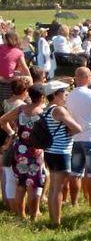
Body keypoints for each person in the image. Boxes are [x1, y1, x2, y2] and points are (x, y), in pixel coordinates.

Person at [0, 85, 47, 219]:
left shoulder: (21, 109)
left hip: (20, 149)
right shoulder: (42, 112)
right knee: (34, 183)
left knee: (21, 183)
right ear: (42, 97)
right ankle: (33, 216)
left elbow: (3, 120)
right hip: (35, 150)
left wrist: (13, 133)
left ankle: (21, 215)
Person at [42, 80, 82, 226]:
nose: (66, 95)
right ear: (56, 94)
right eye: (64, 92)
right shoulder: (59, 110)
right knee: (58, 188)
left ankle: (53, 219)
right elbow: (77, 128)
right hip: (61, 152)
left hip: (50, 151)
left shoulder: (46, 109)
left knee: (53, 187)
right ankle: (56, 221)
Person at [66, 67, 91, 211]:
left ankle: (74, 202)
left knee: (75, 172)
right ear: (87, 77)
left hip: (76, 137)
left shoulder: (70, 95)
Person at [0, 32, 30, 103]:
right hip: (7, 80)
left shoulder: (1, 47)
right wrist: (30, 79)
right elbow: (25, 68)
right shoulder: (18, 52)